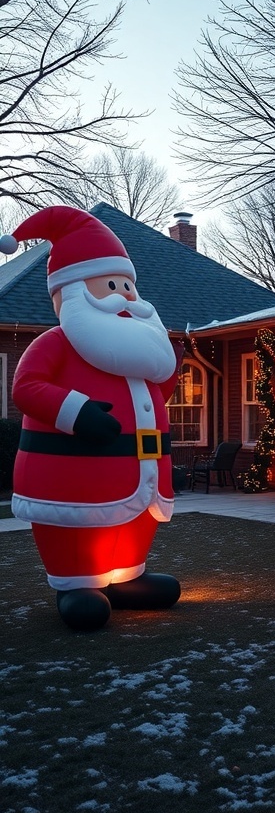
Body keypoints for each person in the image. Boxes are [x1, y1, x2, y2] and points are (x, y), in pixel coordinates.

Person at [0, 207, 182, 631]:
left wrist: (162, 362)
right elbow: (27, 388)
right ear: (73, 292)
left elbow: (158, 393)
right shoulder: (57, 343)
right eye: (112, 286)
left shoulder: (137, 348)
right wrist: (76, 412)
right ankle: (76, 584)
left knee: (134, 523)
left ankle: (127, 577)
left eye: (128, 286)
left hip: (143, 469)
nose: (125, 298)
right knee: (77, 528)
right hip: (70, 477)